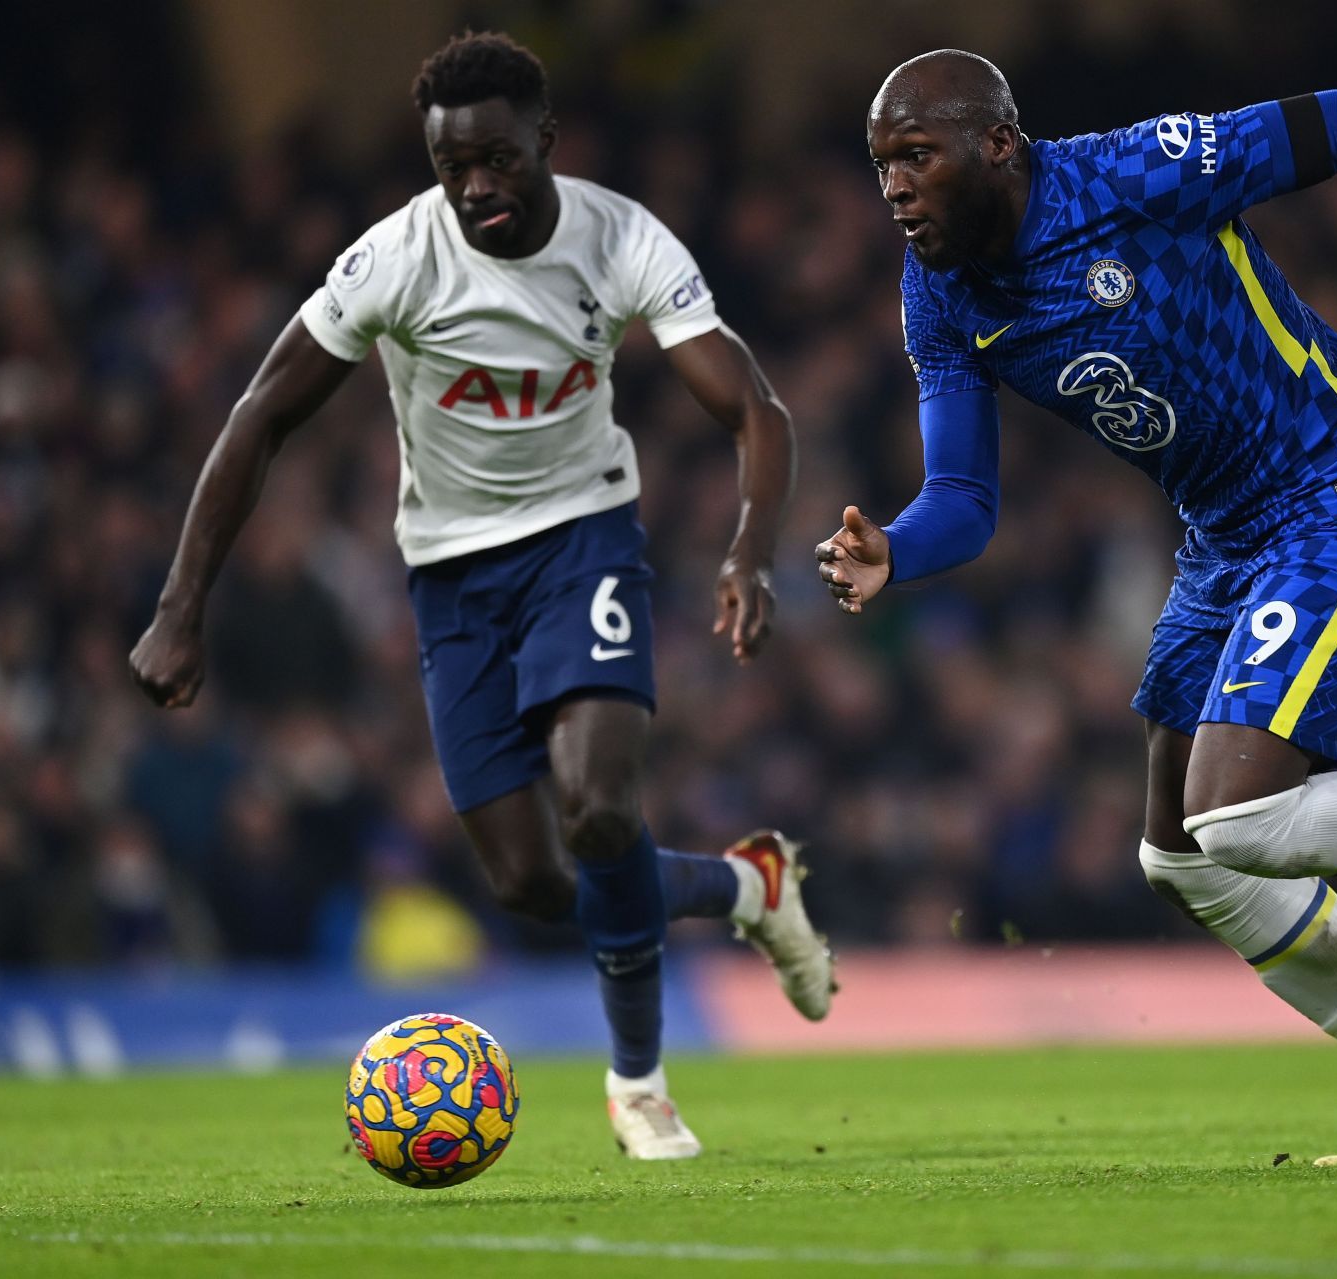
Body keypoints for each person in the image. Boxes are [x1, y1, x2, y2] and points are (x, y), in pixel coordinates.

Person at [819, 50, 1337, 1165]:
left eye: (916, 155)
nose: (895, 188)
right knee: (1183, 857)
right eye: (881, 166)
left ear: (998, 142)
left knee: (1237, 817)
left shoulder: (1135, 175)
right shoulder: (941, 295)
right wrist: (895, 553)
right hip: (1225, 544)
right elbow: (963, 497)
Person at [130, 31, 834, 1161]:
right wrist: (180, 603)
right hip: (452, 577)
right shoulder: (396, 260)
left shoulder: (622, 240)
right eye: (453, 168)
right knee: (535, 882)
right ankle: (746, 887)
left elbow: (755, 409)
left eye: (499, 161)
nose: (475, 188)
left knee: (598, 805)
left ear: (544, 143)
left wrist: (750, 553)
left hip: (584, 542)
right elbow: (258, 414)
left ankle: (640, 1083)